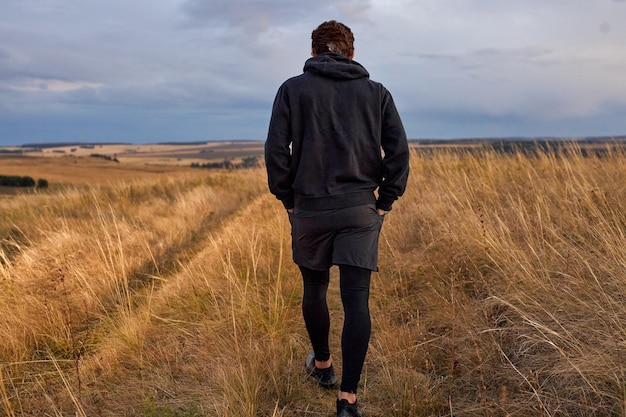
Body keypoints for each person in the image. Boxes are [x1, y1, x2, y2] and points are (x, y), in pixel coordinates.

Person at [265, 20, 410, 417]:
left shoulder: (292, 90)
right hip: (360, 209)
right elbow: (398, 153)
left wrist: (287, 199)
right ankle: (347, 401)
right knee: (356, 299)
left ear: (313, 53)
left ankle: (324, 367)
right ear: (351, 53)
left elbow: (276, 150)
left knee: (314, 289)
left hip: (309, 208)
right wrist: (385, 201)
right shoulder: (376, 93)